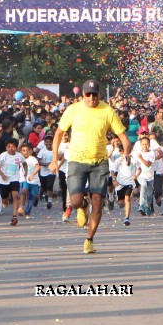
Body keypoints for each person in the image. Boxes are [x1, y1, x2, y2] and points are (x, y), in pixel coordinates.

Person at [50, 80, 128, 254]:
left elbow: (122, 136)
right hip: (77, 160)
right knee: (76, 201)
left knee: (98, 203)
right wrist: (55, 159)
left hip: (99, 162)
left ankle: (89, 239)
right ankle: (82, 205)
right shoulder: (73, 110)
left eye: (94, 94)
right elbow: (58, 134)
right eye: (88, 94)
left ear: (99, 94)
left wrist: (127, 152)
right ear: (82, 95)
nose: (91, 98)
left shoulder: (107, 110)